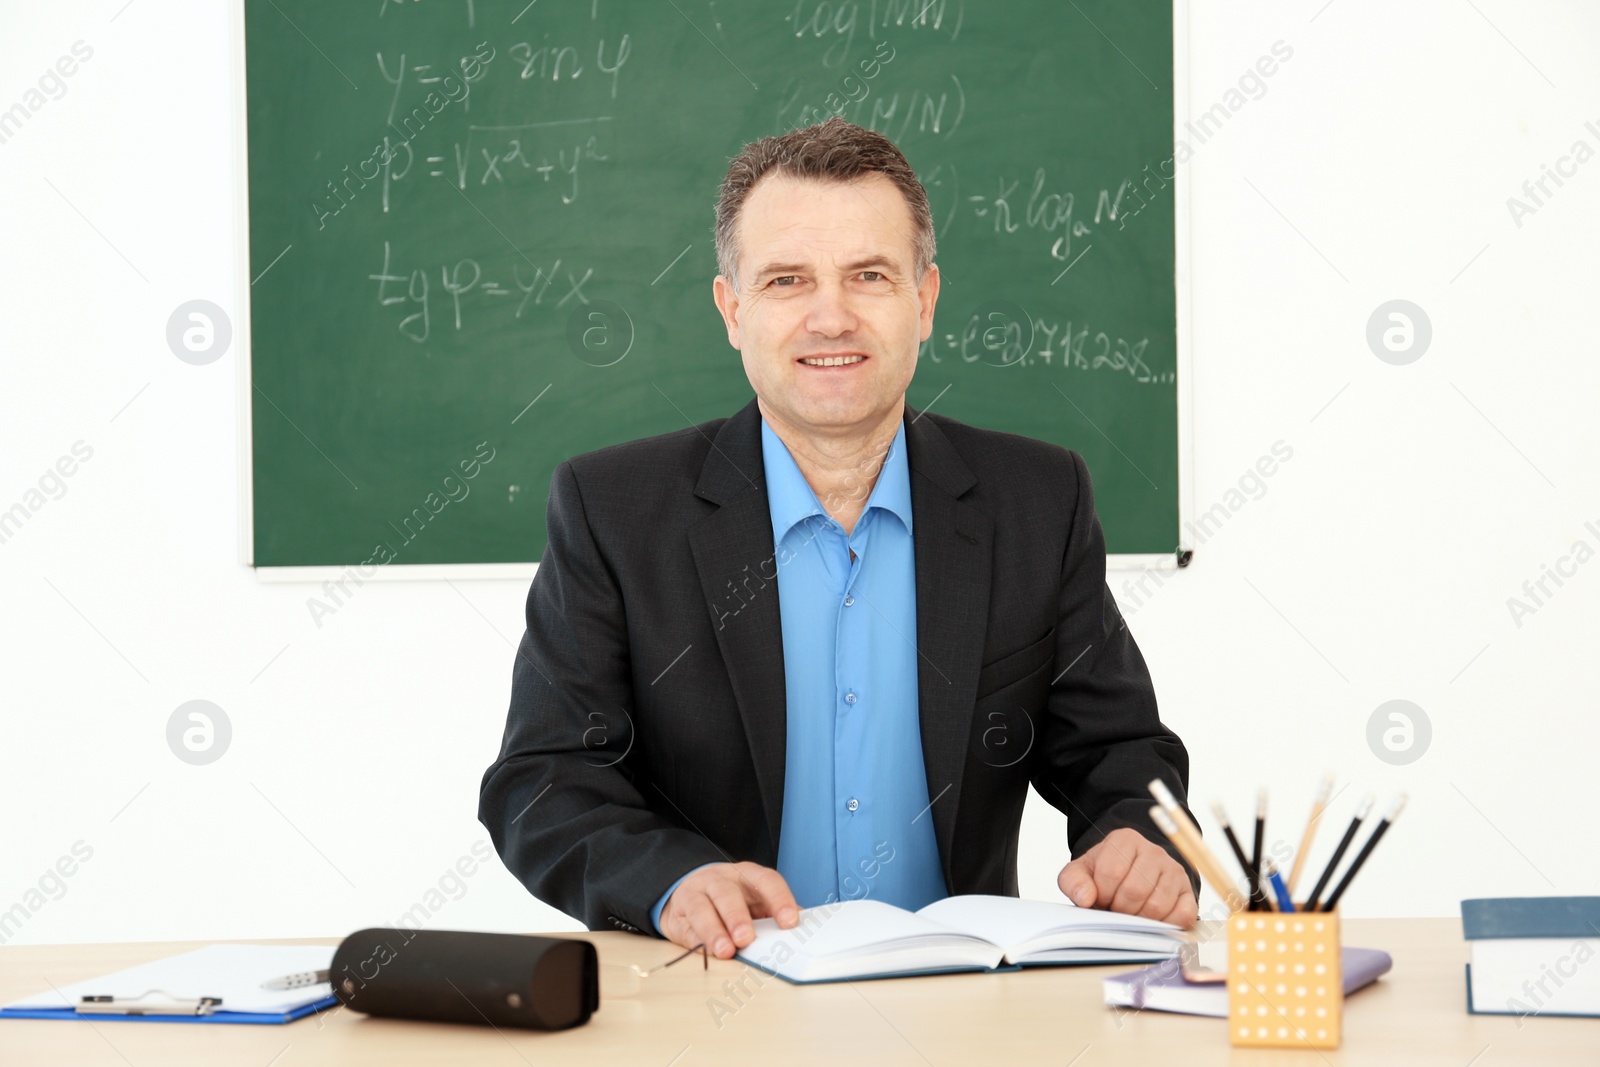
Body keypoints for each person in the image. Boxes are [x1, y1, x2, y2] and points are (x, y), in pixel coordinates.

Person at [479, 116, 1199, 961]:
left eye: (869, 275)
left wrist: (1136, 837)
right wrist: (671, 882)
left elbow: (1118, 751)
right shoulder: (613, 510)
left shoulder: (1037, 500)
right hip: (711, 989)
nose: (832, 316)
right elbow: (544, 782)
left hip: (961, 1005)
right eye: (788, 280)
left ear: (924, 301)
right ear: (732, 309)